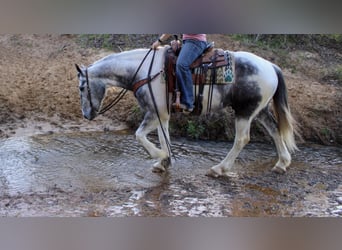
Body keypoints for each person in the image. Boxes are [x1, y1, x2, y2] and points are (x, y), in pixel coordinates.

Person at [152, 34, 207, 113]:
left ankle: (188, 103)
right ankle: (175, 96)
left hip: (195, 42)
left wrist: (158, 42)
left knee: (182, 64)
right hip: (188, 41)